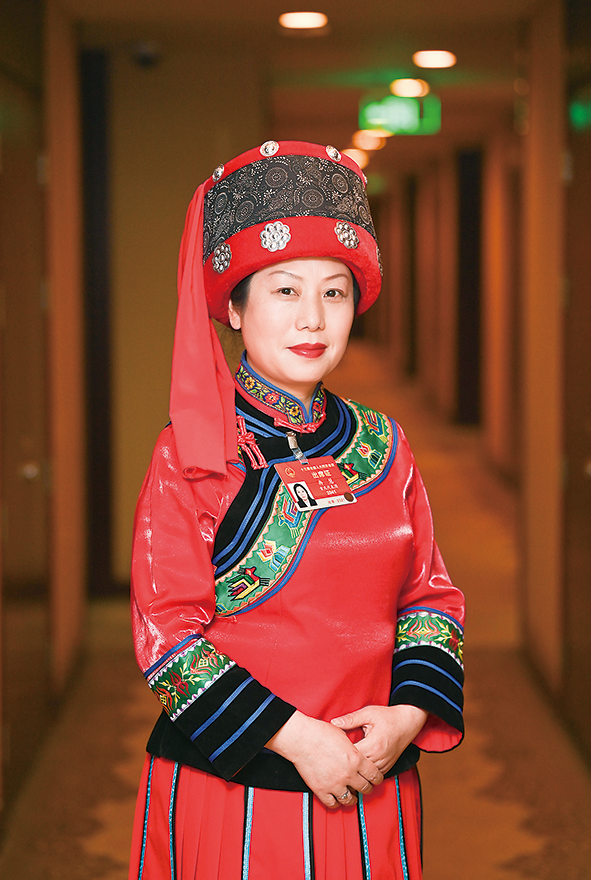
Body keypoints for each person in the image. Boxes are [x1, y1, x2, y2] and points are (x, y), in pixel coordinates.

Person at [129, 141, 465, 880]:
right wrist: (299, 739)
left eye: (334, 292)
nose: (312, 318)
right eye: (285, 290)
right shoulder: (192, 454)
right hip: (237, 787)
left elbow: (429, 597)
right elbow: (167, 637)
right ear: (234, 307)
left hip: (374, 776)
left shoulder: (384, 443)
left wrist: (406, 717)